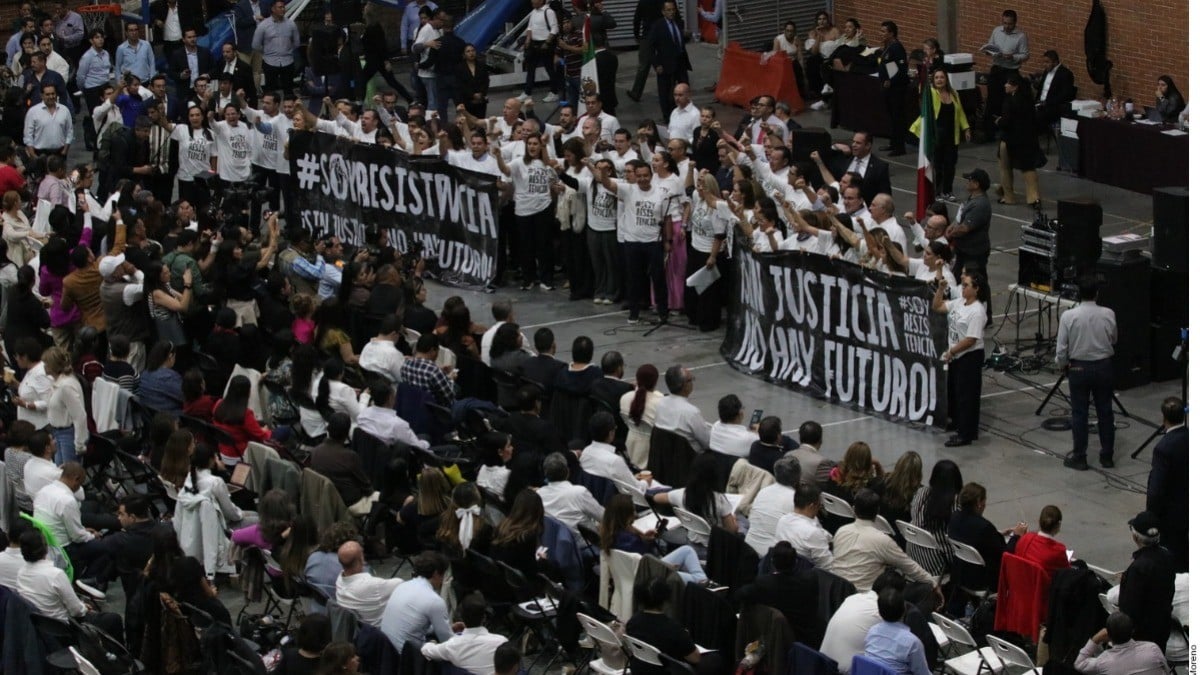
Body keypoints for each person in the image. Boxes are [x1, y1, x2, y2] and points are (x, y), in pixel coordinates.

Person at [1056, 275, 1117, 470]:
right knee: (1105, 411)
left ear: (1078, 294)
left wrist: (1062, 364)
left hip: (1079, 368)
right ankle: (1107, 456)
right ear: (1097, 294)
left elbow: (1061, 348)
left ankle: (1080, 456)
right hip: (1103, 367)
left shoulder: (1069, 316)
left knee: (1079, 413)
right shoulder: (1108, 313)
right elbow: (1113, 338)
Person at [829, 489, 938, 594]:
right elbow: (911, 568)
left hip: (836, 594)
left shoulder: (841, 531)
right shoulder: (883, 541)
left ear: (853, 509)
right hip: (864, 597)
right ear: (878, 511)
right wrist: (933, 583)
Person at [934, 270, 986, 446]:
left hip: (969, 357)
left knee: (967, 396)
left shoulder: (977, 311)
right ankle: (957, 423)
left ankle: (966, 433)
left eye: (966, 285)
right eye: (962, 285)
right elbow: (937, 306)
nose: (962, 288)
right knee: (955, 392)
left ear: (976, 289)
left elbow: (971, 339)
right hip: (956, 354)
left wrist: (952, 351)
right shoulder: (959, 303)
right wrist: (940, 289)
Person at [652, 453, 737, 547]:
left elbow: (656, 498)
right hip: (715, 545)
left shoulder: (682, 494)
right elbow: (732, 531)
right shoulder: (719, 500)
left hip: (692, 540)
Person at [911, 68, 971, 200]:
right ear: (933, 80)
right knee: (937, 165)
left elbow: (960, 112)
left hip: (951, 136)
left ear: (946, 79)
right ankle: (937, 192)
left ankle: (947, 191)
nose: (939, 80)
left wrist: (966, 128)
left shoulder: (954, 93)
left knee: (950, 164)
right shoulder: (931, 93)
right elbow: (923, 98)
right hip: (936, 135)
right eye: (937, 77)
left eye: (942, 77)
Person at [1119, 512, 1176, 652]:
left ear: (1135, 536)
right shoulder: (1166, 556)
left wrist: (1126, 581)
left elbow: (1129, 608)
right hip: (1162, 626)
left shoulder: (1139, 568)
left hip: (1142, 634)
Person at [624, 578, 704, 675]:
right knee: (713, 661)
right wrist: (685, 637)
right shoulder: (673, 628)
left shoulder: (633, 622)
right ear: (665, 599)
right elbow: (695, 658)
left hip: (638, 669)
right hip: (665, 671)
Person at [1146, 396, 1187, 572]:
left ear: (1164, 418)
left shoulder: (1164, 448)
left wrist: (1151, 516)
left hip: (1173, 515)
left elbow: (1156, 489)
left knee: (1172, 558)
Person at [419, 594, 507, 675]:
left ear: (462, 617)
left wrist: (432, 641)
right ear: (484, 618)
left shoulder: (453, 645)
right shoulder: (502, 642)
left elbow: (426, 650)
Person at [1073, 611, 1171, 675]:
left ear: (1108, 637)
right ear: (1132, 631)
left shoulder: (1103, 661)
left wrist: (1095, 639)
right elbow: (1166, 671)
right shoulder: (1152, 649)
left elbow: (1079, 664)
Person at [981, 10, 1029, 140]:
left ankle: (1005, 131)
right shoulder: (996, 31)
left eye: (1010, 24)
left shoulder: (1021, 36)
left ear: (1015, 23)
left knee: (1007, 101)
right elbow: (990, 46)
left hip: (1010, 71)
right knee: (992, 99)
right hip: (997, 69)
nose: (1007, 26)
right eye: (1005, 23)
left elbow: (1025, 55)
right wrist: (989, 51)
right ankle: (988, 132)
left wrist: (1012, 57)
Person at [995, 73, 1040, 207]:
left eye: (1008, 83)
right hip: (1028, 139)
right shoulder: (1028, 100)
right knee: (1028, 168)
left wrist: (999, 121)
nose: (1005, 85)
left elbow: (1006, 121)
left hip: (1010, 140)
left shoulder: (1009, 101)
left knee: (1005, 168)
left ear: (1015, 87)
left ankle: (1008, 197)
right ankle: (1034, 198)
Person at [863, 588, 933, 675]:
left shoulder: (872, 631)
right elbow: (922, 673)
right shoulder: (913, 642)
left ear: (879, 611)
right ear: (904, 609)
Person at [334, 540, 403, 627]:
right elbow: (400, 583)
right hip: (378, 634)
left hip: (357, 630)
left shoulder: (339, 580)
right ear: (361, 559)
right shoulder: (373, 585)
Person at [775, 482, 833, 569]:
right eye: (820, 506)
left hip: (787, 570)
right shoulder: (812, 532)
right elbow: (827, 566)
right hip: (806, 576)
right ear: (812, 506)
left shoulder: (782, 520)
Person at [253, 1, 300, 98]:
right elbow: (256, 44)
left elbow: (296, 43)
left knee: (289, 90)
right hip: (270, 61)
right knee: (270, 91)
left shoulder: (291, 24)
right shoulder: (263, 25)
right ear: (273, 9)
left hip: (288, 61)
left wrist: (287, 50)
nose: (283, 9)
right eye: (280, 7)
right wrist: (267, 51)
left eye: (283, 7)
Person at [876, 21, 910, 156]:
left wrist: (891, 80)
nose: (881, 34)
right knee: (891, 117)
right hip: (888, 88)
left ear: (891, 33)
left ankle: (900, 147)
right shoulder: (888, 46)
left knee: (897, 117)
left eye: (884, 31)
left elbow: (901, 68)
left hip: (897, 89)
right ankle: (893, 142)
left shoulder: (897, 48)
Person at [619, 364, 662, 469]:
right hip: (652, 454)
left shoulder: (624, 398)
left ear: (637, 380)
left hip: (631, 448)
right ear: (655, 382)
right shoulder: (659, 404)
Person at [519, 0, 558, 103]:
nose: (532, 1)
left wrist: (547, 43)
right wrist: (527, 40)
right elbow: (530, 27)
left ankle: (554, 92)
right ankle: (527, 92)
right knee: (530, 69)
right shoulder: (533, 12)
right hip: (534, 43)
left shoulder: (548, 11)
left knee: (549, 68)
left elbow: (554, 28)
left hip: (545, 43)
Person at [1013, 504, 1070, 572]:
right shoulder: (1059, 550)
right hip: (1042, 582)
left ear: (1039, 521)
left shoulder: (1025, 538)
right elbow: (1067, 572)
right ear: (1058, 525)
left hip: (1022, 578)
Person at [1034, 50, 1076, 131]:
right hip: (1040, 104)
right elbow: (1043, 89)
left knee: (1034, 118)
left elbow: (1065, 95)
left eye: (1047, 62)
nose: (1044, 65)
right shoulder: (1046, 71)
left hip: (1053, 107)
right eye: (1044, 62)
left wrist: (1047, 102)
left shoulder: (1066, 74)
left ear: (1055, 62)